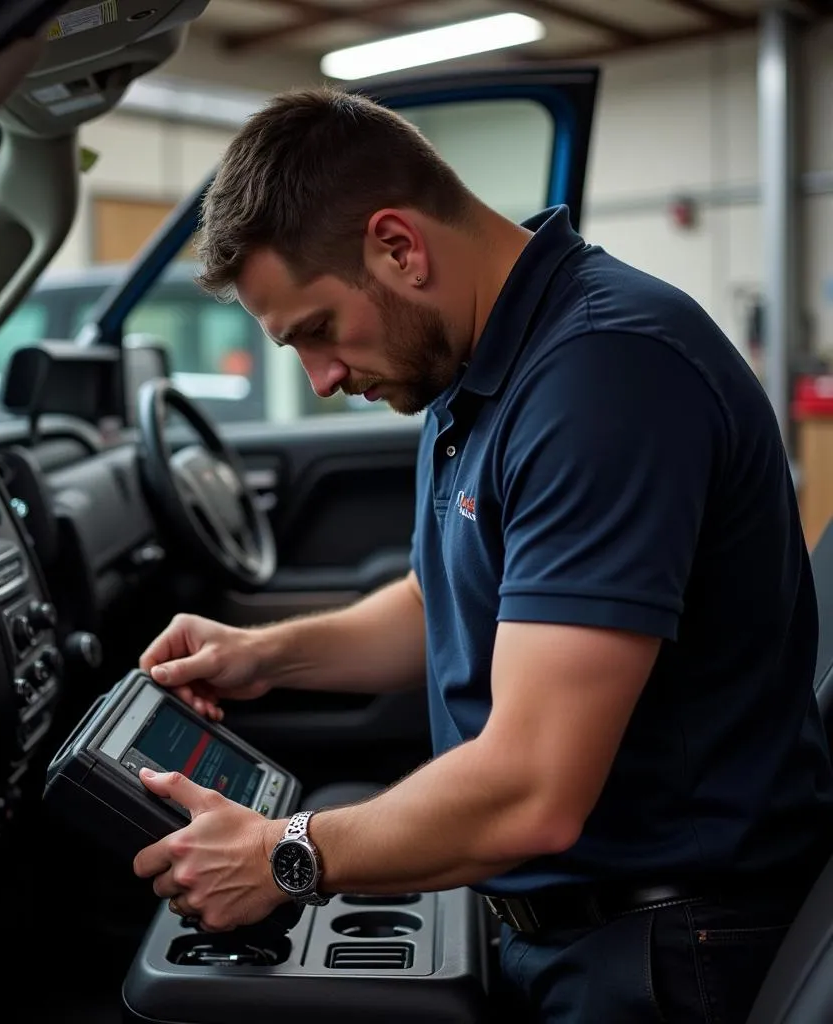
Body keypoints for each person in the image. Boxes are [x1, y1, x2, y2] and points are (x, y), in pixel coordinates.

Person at [130, 86, 833, 1023]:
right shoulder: (479, 363)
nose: (323, 377)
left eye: (317, 331)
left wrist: (282, 855)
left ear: (398, 247)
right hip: (556, 920)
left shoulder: (605, 378)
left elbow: (533, 792)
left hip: (666, 952)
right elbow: (445, 602)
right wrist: (264, 654)